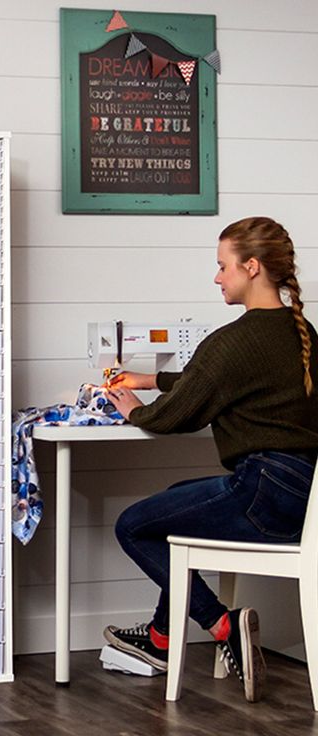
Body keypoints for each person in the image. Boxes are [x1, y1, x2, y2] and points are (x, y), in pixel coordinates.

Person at [103, 216, 318, 703]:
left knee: (134, 525)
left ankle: (224, 624)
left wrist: (136, 409)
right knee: (177, 501)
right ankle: (160, 640)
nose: (217, 277)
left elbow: (175, 417)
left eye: (222, 267)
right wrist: (150, 380)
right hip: (301, 499)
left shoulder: (234, 339)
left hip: (262, 495)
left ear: (252, 267)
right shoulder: (302, 334)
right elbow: (218, 379)